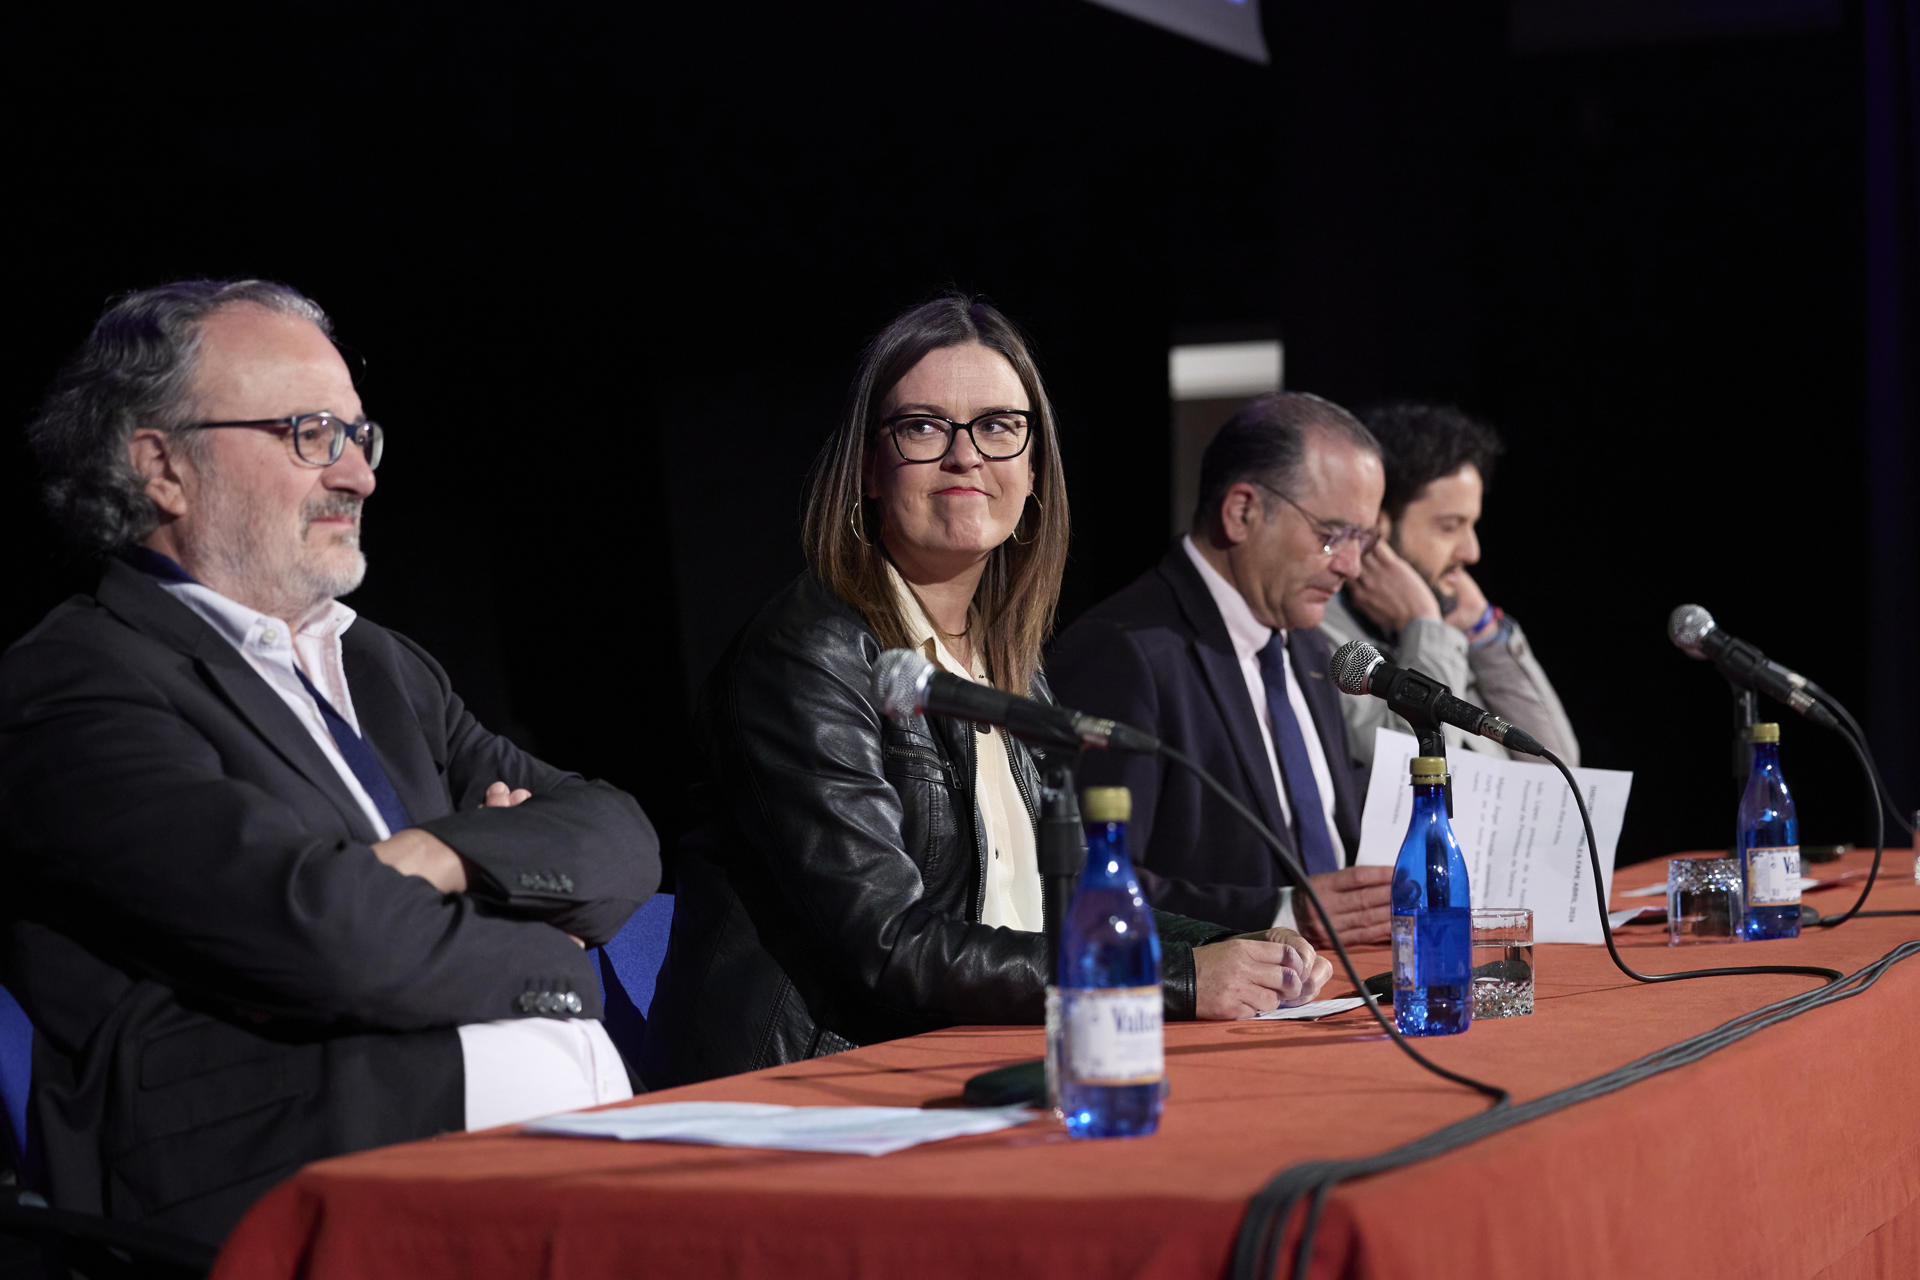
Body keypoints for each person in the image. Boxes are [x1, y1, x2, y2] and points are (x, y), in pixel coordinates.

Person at [0, 280, 660, 1248]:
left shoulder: (382, 663)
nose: (359, 476)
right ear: (163, 467)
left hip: (535, 1169)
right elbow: (321, 929)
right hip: (280, 1197)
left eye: (360, 436)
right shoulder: (72, 680)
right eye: (312, 433)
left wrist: (442, 858)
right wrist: (549, 953)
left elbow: (617, 833)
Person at [642, 297, 1332, 1089]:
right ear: (868, 468)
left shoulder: (1006, 658)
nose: (966, 456)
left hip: (959, 1057)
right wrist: (1173, 978)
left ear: (1033, 470)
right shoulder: (807, 655)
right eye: (925, 428)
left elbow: (1044, 911)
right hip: (813, 1084)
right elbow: (892, 944)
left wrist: (1239, 944)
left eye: (1000, 427)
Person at [1048, 392, 1394, 942]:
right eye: (1332, 536)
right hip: (1218, 1010)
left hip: (1351, 991)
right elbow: (1091, 884)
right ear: (1242, 512)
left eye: (1364, 540)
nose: (1350, 566)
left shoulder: (1309, 652)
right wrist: (1283, 914)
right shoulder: (1124, 651)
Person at [1319, 402, 1579, 766]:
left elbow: (1555, 768)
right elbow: (1410, 776)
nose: (1471, 552)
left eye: (1471, 525)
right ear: (1376, 527)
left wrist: (1486, 635)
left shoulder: (1454, 628)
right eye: (1449, 526)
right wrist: (1423, 624)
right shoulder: (1325, 637)